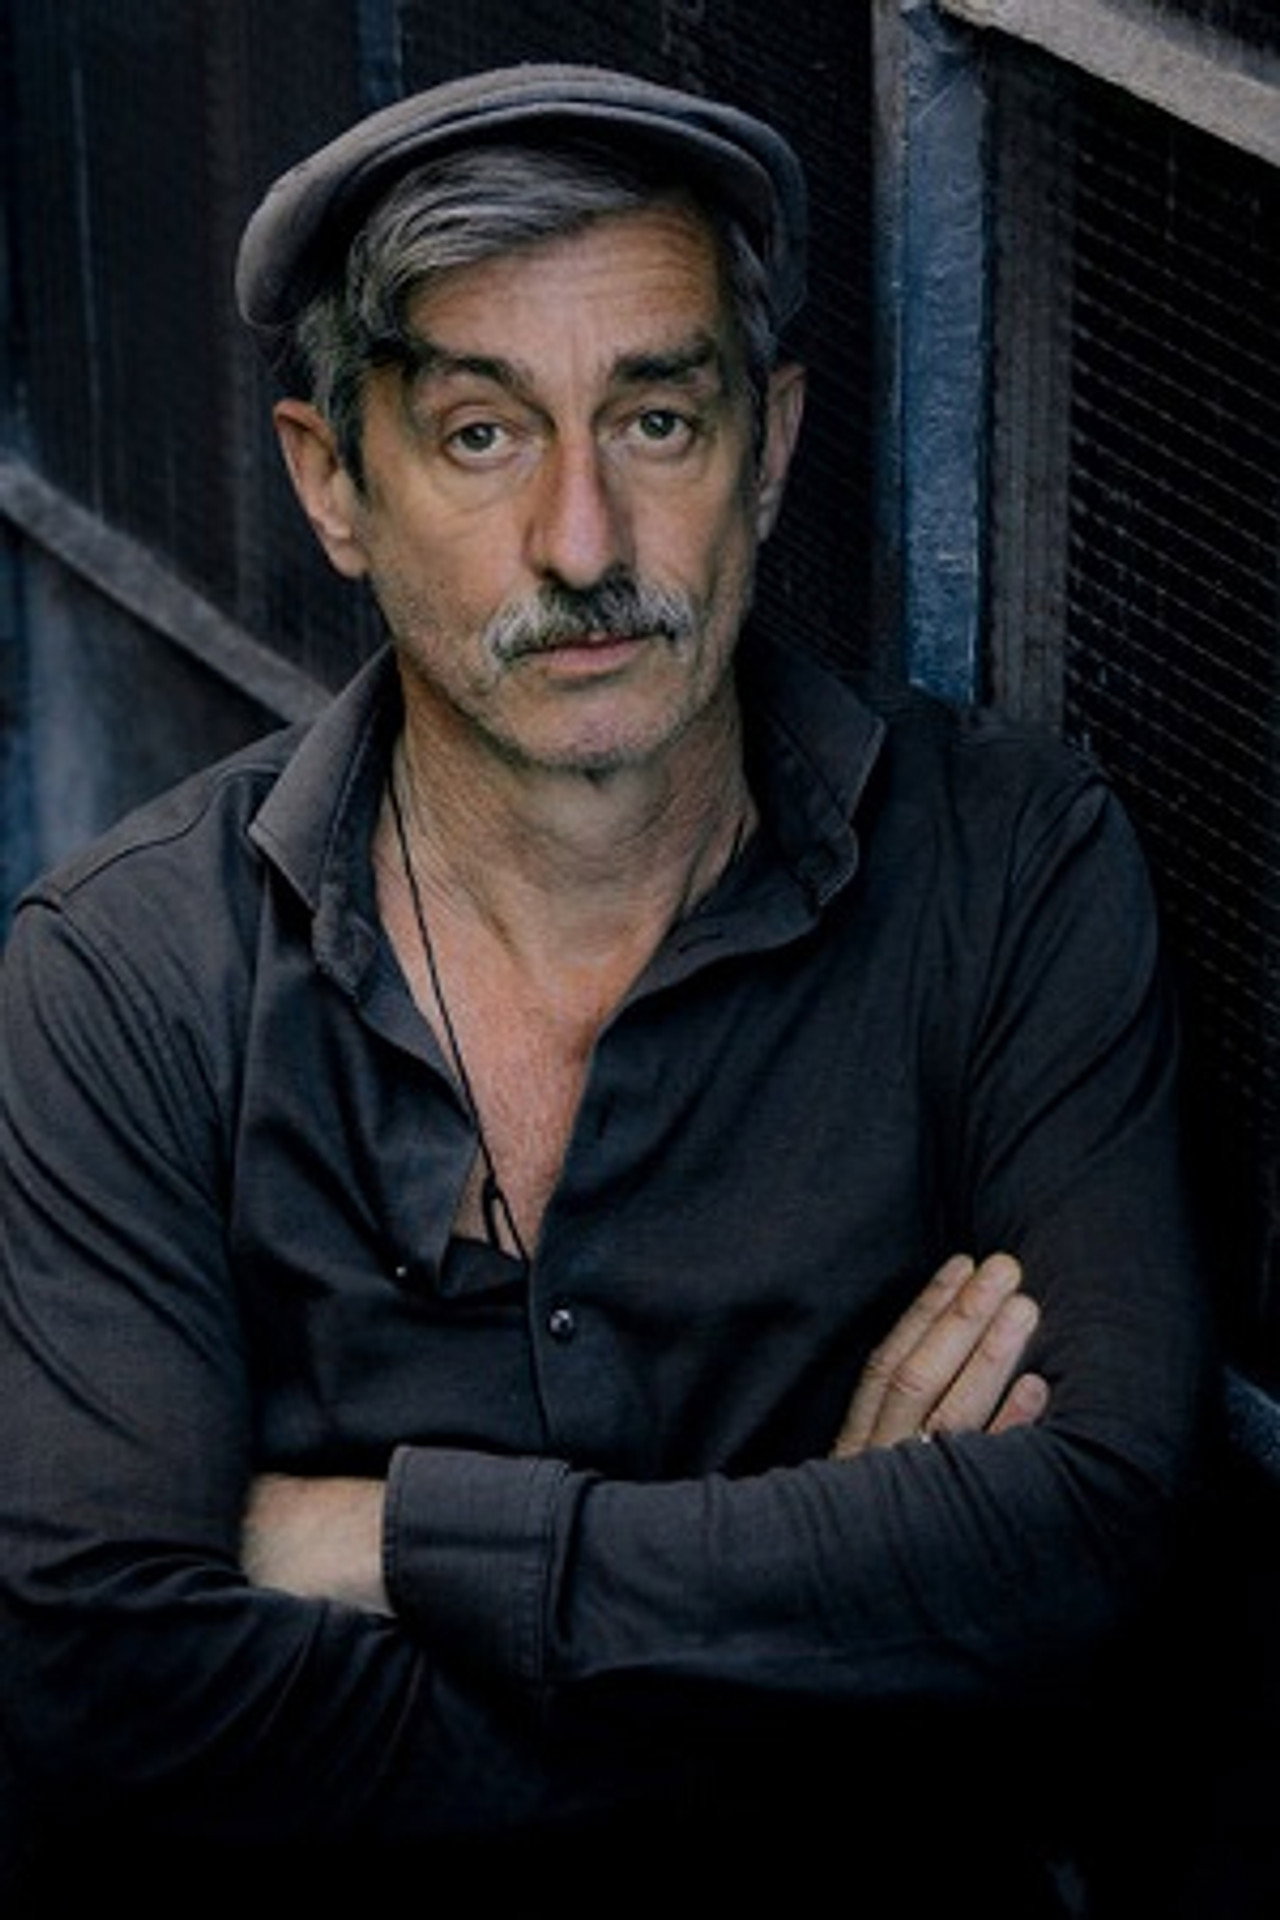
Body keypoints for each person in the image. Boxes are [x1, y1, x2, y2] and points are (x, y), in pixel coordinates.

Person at [0, 62, 1209, 1912]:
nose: (585, 545)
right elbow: (99, 1680)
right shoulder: (126, 970)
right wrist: (847, 1649)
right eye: (482, 435)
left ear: (770, 444)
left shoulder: (1008, 867)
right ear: (334, 483)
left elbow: (1093, 1532)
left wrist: (399, 1539)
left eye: (657, 419)